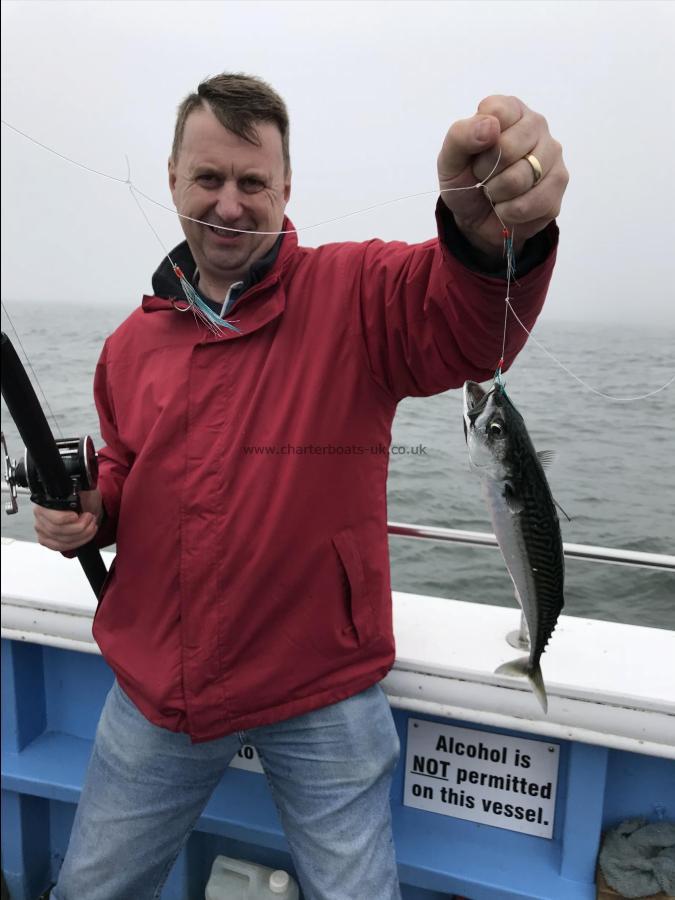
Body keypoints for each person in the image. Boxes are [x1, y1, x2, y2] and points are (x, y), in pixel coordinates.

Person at [34, 73, 567, 900]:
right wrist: (94, 514)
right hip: (156, 689)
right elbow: (125, 471)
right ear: (173, 176)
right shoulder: (129, 344)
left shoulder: (356, 294)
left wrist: (488, 237)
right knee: (90, 890)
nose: (231, 203)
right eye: (209, 178)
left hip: (321, 683)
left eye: (253, 183)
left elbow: (466, 324)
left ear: (286, 190)